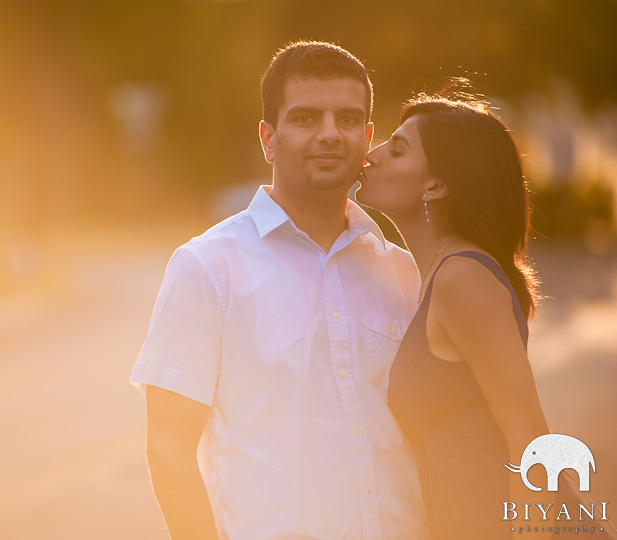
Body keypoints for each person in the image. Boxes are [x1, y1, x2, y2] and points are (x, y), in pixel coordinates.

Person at [130, 41, 430, 539]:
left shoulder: (401, 270)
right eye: (307, 118)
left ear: (368, 136)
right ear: (268, 138)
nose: (330, 134)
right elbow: (168, 450)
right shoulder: (207, 268)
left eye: (348, 119)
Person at [355, 90, 616, 539]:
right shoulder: (439, 276)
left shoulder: (463, 279)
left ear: (435, 185)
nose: (370, 155)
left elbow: (531, 442)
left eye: (396, 149)